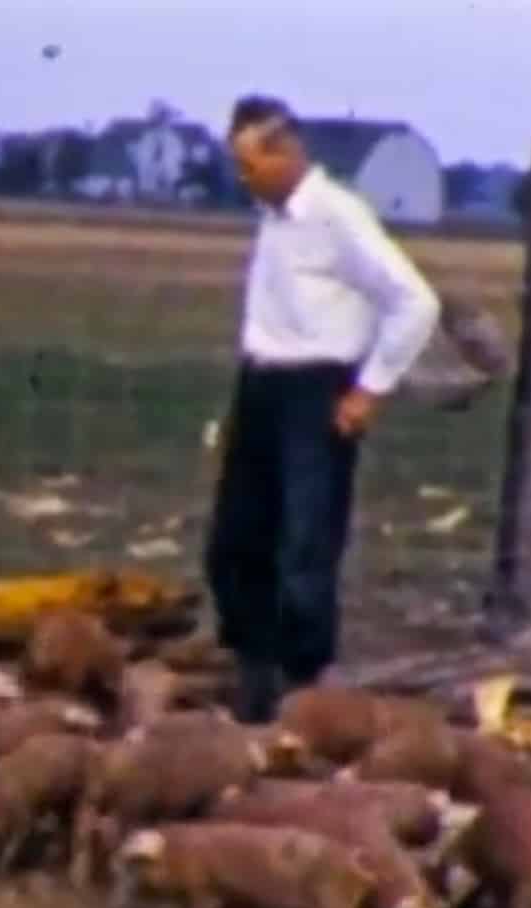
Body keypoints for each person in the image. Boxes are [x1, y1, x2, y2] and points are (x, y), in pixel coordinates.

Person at [204, 95, 442, 723]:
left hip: (317, 390)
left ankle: (302, 688)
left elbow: (414, 302)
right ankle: (252, 680)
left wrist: (370, 389)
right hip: (262, 385)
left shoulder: (339, 217)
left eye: (250, 164)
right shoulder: (273, 219)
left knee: (305, 543)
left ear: (285, 153)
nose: (243, 178)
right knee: (236, 542)